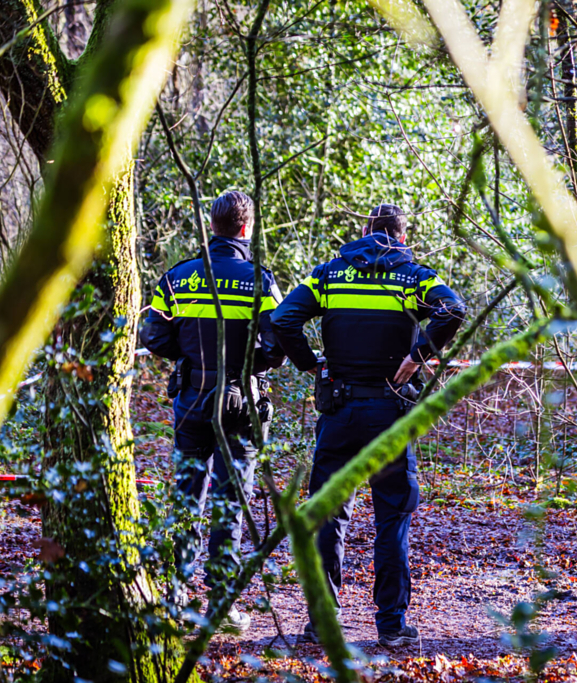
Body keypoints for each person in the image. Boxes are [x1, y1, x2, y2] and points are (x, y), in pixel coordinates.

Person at [266, 203, 466, 647]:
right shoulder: (414, 277)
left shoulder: (329, 274)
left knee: (328, 517)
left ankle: (321, 624)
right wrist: (418, 354)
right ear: (400, 235)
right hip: (390, 415)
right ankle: (392, 628)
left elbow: (282, 318)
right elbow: (453, 309)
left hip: (338, 411)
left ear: (364, 231)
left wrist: (311, 365)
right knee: (391, 518)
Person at [140, 190, 285, 632]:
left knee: (186, 499)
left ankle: (176, 600)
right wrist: (249, 366)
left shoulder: (178, 277)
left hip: (190, 402)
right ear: (246, 227)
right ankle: (221, 606)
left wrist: (187, 359)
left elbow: (153, 336)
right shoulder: (259, 280)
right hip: (240, 406)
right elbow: (276, 344)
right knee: (229, 504)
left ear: (214, 225)